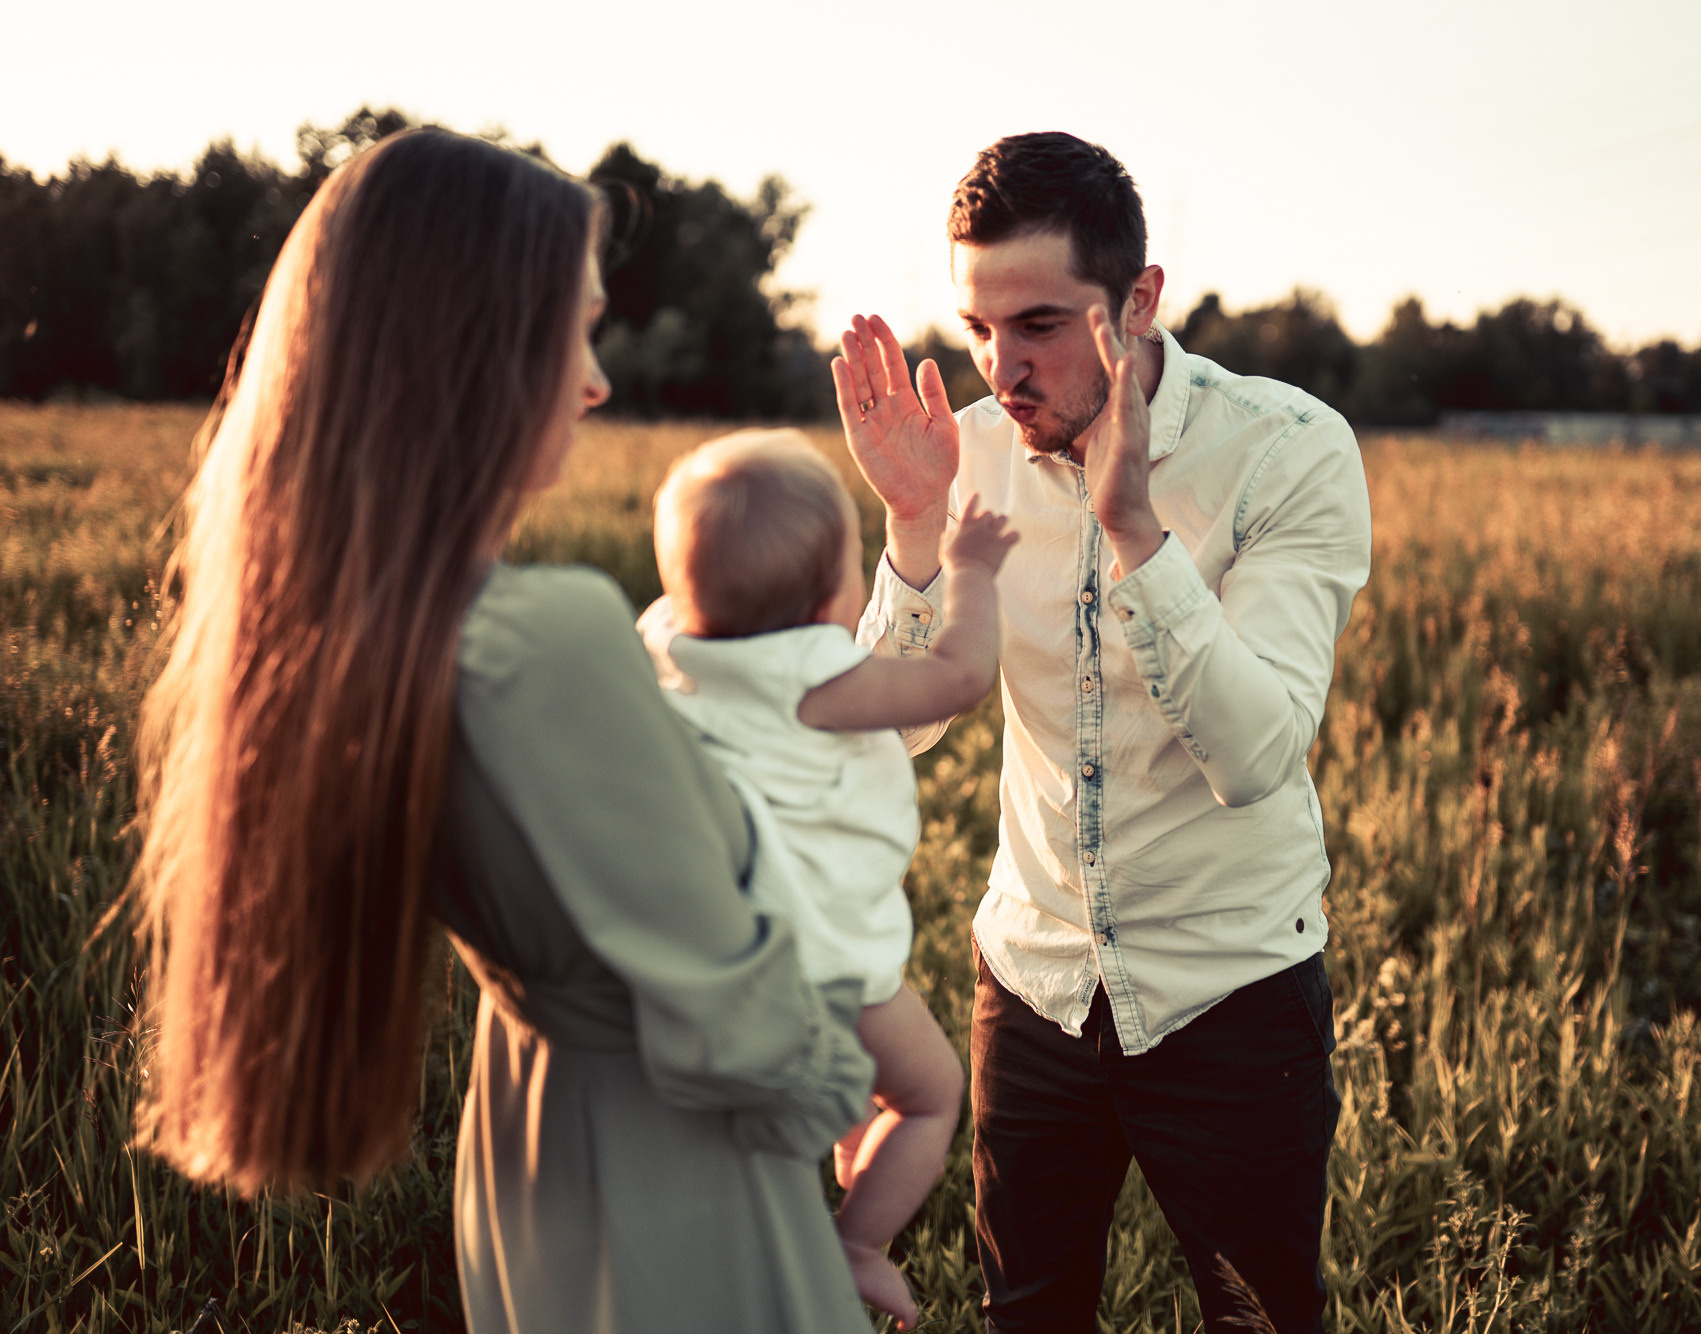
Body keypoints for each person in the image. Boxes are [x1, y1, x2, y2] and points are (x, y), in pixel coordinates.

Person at [132, 128, 877, 1333]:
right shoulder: (546, 636)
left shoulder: (364, 631)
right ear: (462, 346)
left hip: (535, 1153)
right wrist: (859, 1097)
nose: (595, 379)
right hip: (676, 1176)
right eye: (570, 330)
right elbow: (745, 1027)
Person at [830, 131, 1372, 1332]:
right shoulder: (961, 456)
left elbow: (1253, 754)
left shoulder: (1285, 452)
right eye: (976, 328)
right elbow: (883, 740)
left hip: (1228, 985)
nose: (999, 366)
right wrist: (914, 529)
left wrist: (1134, 531)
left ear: (1136, 302)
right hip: (1030, 978)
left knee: (1260, 1314)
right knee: (1025, 1311)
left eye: (1038, 325)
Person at [637, 429, 1017, 1328]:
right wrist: (970, 572)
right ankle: (852, 1243)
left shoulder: (668, 651)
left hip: (713, 961)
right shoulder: (816, 678)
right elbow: (959, 674)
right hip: (824, 965)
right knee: (930, 1097)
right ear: (824, 602)